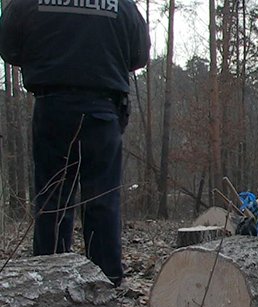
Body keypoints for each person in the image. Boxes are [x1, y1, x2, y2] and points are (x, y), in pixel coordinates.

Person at [0, 0, 150, 286]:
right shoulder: (121, 4)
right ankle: (106, 282)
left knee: (53, 199)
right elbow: (139, 54)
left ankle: (49, 282)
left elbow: (8, 46)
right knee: (102, 200)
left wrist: (46, 58)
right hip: (102, 108)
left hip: (53, 106)